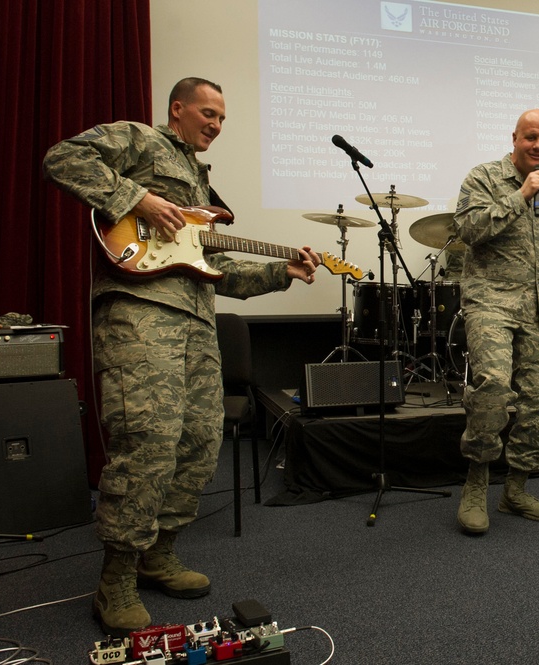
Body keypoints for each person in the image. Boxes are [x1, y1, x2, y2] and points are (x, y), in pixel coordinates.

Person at [43, 77, 324, 636]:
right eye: (207, 112)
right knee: (147, 439)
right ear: (178, 109)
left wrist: (281, 270)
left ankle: (158, 554)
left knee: (199, 441)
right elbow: (63, 157)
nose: (216, 124)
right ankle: (115, 581)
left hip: (196, 322)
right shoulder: (142, 142)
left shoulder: (202, 186)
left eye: (223, 118)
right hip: (138, 312)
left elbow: (220, 274)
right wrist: (137, 198)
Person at [453, 109, 539, 534]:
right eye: (531, 137)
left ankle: (516, 489)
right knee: (491, 384)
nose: (538, 146)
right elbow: (468, 229)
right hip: (490, 300)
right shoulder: (484, 178)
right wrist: (520, 195)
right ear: (515, 138)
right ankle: (476, 485)